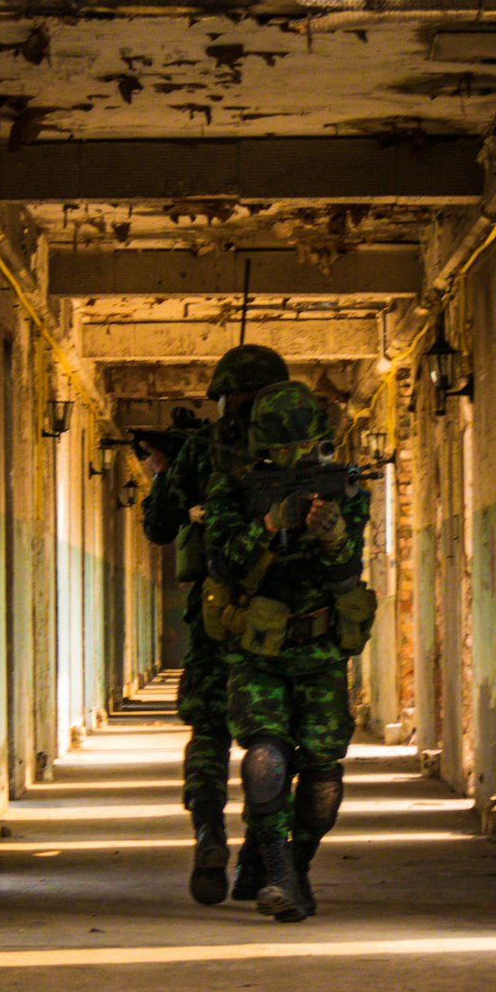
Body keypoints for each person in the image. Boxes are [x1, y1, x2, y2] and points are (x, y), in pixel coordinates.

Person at [204, 380, 374, 922]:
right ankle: (276, 872)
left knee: (324, 771)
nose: (298, 460)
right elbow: (225, 563)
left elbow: (348, 570)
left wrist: (332, 535)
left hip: (322, 647)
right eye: (285, 454)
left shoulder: (345, 490)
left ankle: (295, 863)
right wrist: (270, 524)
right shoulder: (233, 492)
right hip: (258, 649)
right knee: (266, 757)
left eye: (307, 450)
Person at [141, 343, 289, 905]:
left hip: (214, 615)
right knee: (272, 737)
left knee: (209, 729)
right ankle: (260, 853)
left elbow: (159, 526)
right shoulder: (298, 447)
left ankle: (208, 833)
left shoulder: (204, 452)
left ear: (227, 396)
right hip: (282, 618)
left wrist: (163, 471)